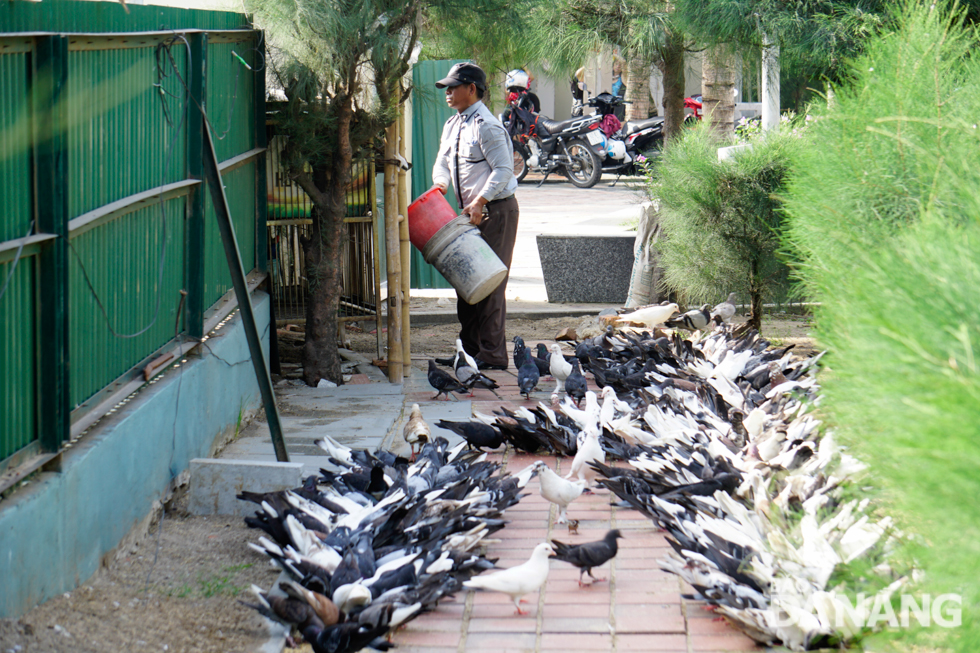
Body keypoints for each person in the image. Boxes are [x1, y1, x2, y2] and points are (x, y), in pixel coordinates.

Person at [431, 62, 520, 371]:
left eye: (453, 87)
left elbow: (504, 170)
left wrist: (481, 201)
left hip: (495, 211)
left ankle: (493, 354)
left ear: (472, 89)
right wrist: (440, 184)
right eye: (447, 88)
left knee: (490, 282)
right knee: (465, 281)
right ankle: (468, 351)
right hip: (470, 213)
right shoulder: (453, 124)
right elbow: (442, 163)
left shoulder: (487, 125)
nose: (448, 93)